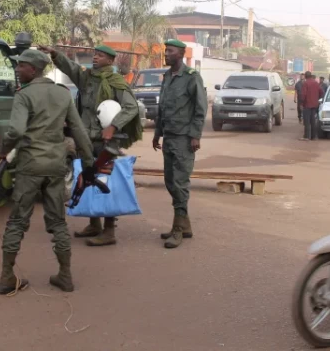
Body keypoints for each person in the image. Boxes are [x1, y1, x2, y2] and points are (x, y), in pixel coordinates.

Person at [0, 49, 95, 295]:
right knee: (58, 222)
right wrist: (89, 161)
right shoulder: (63, 95)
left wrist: (2, 151)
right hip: (55, 166)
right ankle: (65, 276)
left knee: (18, 220)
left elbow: (16, 131)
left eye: (22, 66)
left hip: (30, 166)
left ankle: (7, 276)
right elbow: (79, 131)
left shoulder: (24, 95)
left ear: (34, 69)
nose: (18, 70)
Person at [38, 44, 142, 247]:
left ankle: (109, 230)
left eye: (101, 56)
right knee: (86, 179)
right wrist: (54, 54)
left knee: (106, 183)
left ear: (110, 61)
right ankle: (94, 223)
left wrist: (113, 126)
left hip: (106, 142)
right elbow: (70, 68)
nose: (96, 58)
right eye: (95, 55)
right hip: (85, 139)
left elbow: (131, 107)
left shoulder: (115, 81)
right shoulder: (86, 78)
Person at [152, 39, 208, 249]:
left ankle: (177, 228)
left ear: (181, 54)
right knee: (169, 181)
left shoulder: (192, 78)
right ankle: (185, 225)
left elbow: (200, 108)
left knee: (180, 183)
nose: (166, 54)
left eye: (170, 51)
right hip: (169, 136)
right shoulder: (167, 76)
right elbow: (163, 108)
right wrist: (157, 133)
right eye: (166, 50)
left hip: (184, 139)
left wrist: (195, 136)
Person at [300, 71, 324, 141]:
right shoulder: (316, 83)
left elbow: (303, 95)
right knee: (313, 121)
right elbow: (321, 92)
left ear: (305, 76)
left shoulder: (305, 83)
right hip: (314, 104)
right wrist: (317, 98)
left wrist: (301, 104)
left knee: (307, 121)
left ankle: (306, 136)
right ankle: (313, 136)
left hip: (307, 104)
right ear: (310, 76)